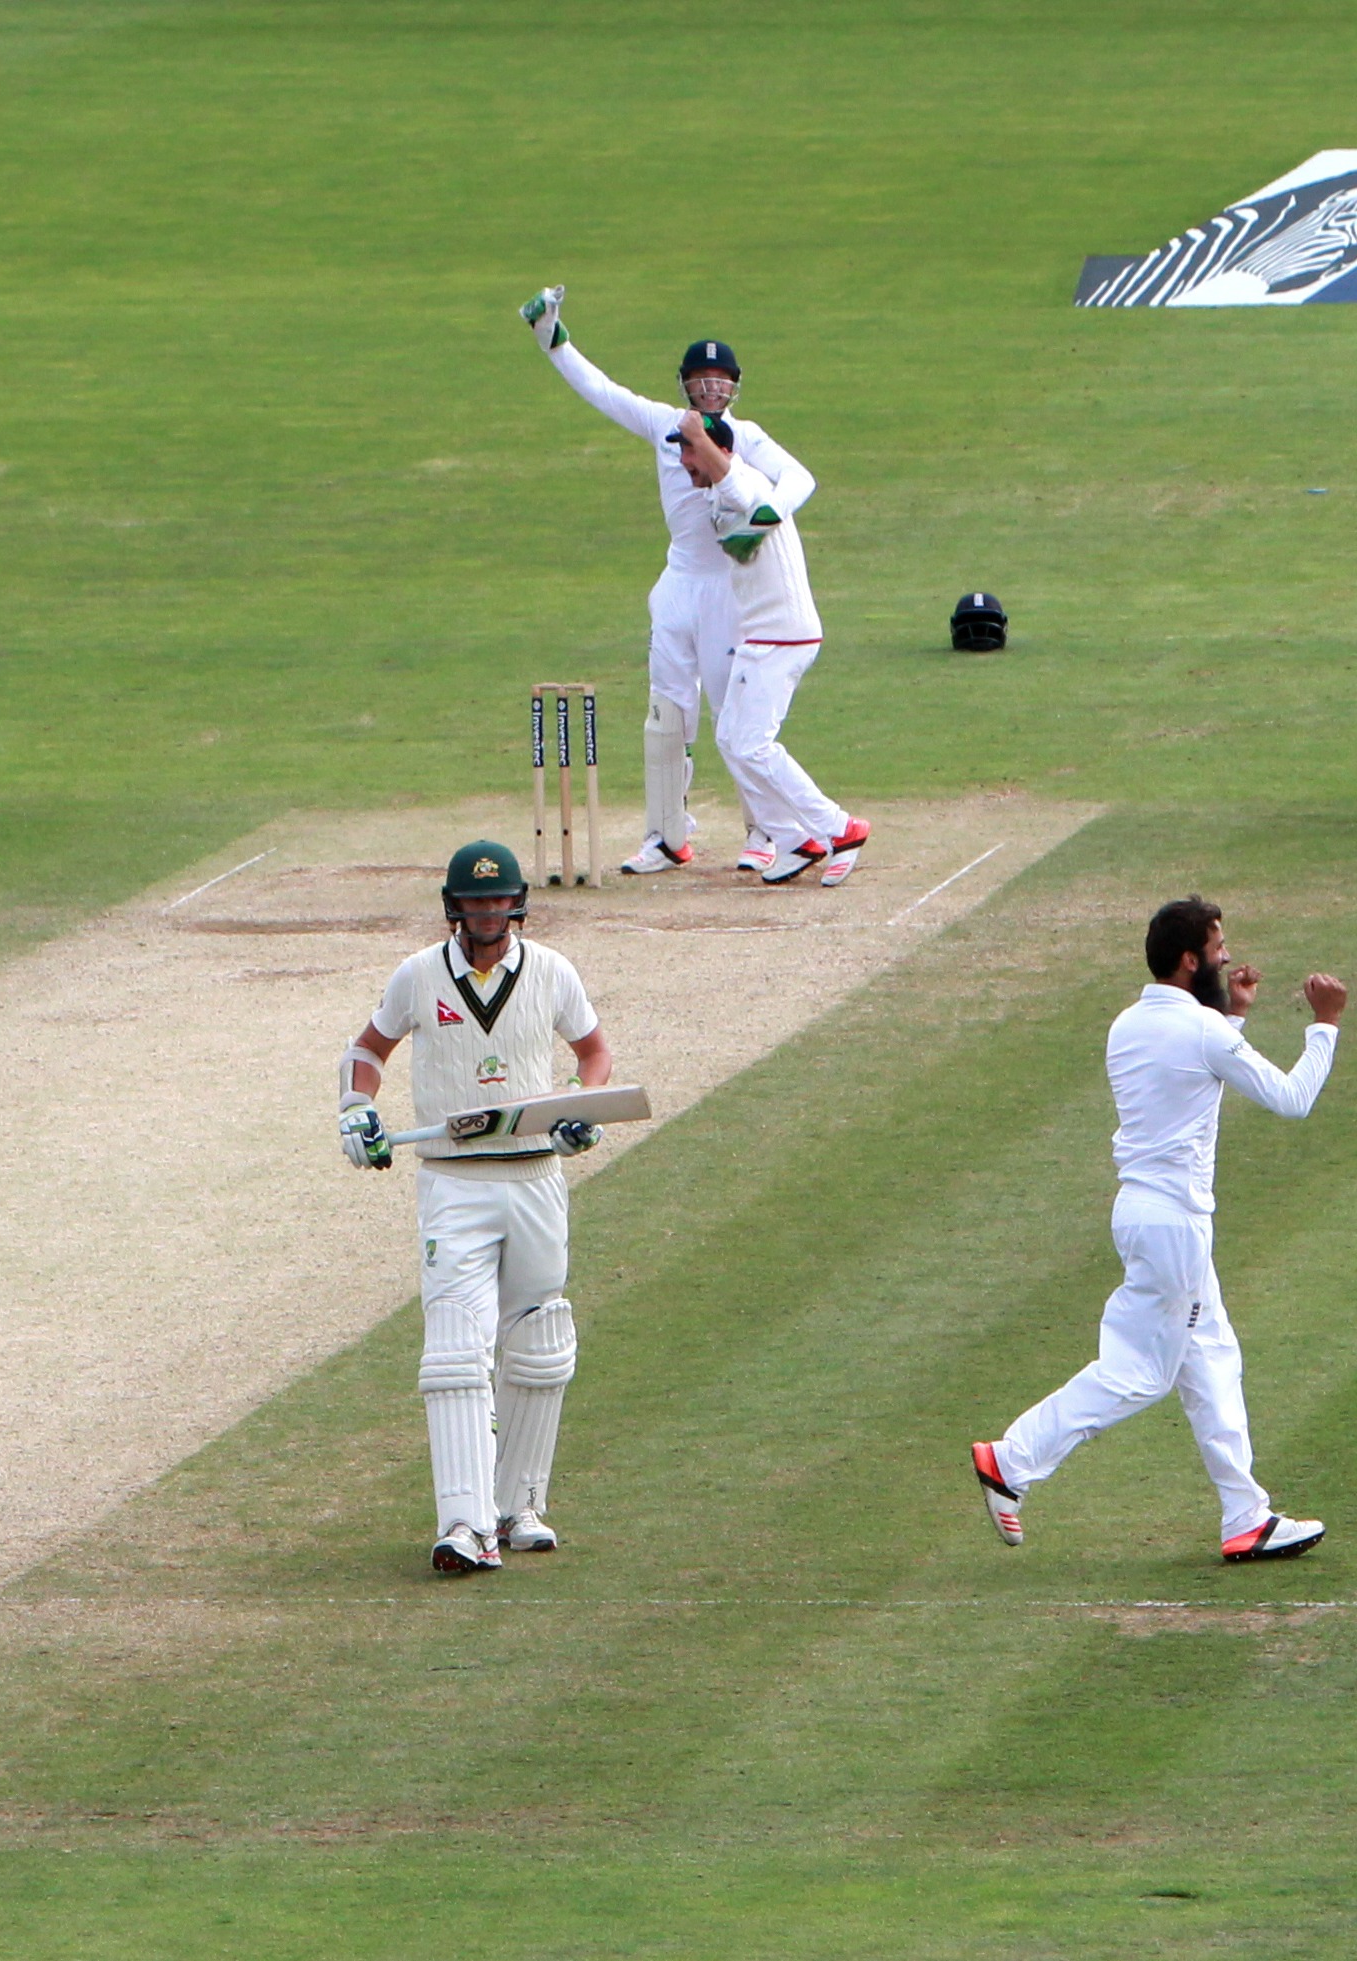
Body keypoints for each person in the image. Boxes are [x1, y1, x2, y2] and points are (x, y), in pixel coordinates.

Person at [971, 899, 1343, 1562]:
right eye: (1218, 945)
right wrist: (1325, 1025)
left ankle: (1246, 1515)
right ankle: (1011, 1458)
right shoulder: (1202, 1033)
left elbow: (1190, 1086)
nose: (1227, 954)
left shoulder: (1130, 1024)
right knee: (1143, 1371)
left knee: (1213, 1356)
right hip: (1174, 1226)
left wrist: (1234, 1013)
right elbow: (1292, 1098)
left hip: (1146, 1214)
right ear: (1188, 960)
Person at [338, 843, 615, 1572]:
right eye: (476, 901)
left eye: (499, 900)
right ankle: (463, 1524)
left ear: (516, 903)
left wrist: (579, 1106)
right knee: (457, 1347)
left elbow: (594, 1053)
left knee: (540, 1339)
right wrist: (355, 1107)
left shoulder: (552, 970)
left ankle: (518, 1506)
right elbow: (368, 1049)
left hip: (534, 1177)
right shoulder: (418, 975)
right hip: (454, 1181)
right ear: (453, 906)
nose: (489, 912)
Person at [522, 288, 740, 875]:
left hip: (729, 590)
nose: (711, 388)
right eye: (701, 379)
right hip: (677, 584)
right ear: (685, 385)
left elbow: (795, 482)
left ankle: (766, 833)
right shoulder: (662, 424)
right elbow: (601, 389)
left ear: (734, 388)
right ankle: (667, 837)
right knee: (667, 714)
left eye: (721, 380)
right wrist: (553, 337)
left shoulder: (749, 439)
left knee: (735, 713)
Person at [679, 401, 870, 885]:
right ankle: (794, 840)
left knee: (754, 744)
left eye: (691, 453)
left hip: (786, 634)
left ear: (719, 451)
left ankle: (840, 829)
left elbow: (732, 476)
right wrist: (697, 441)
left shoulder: (748, 486)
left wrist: (697, 432)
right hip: (758, 634)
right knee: (730, 740)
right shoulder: (719, 496)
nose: (684, 462)